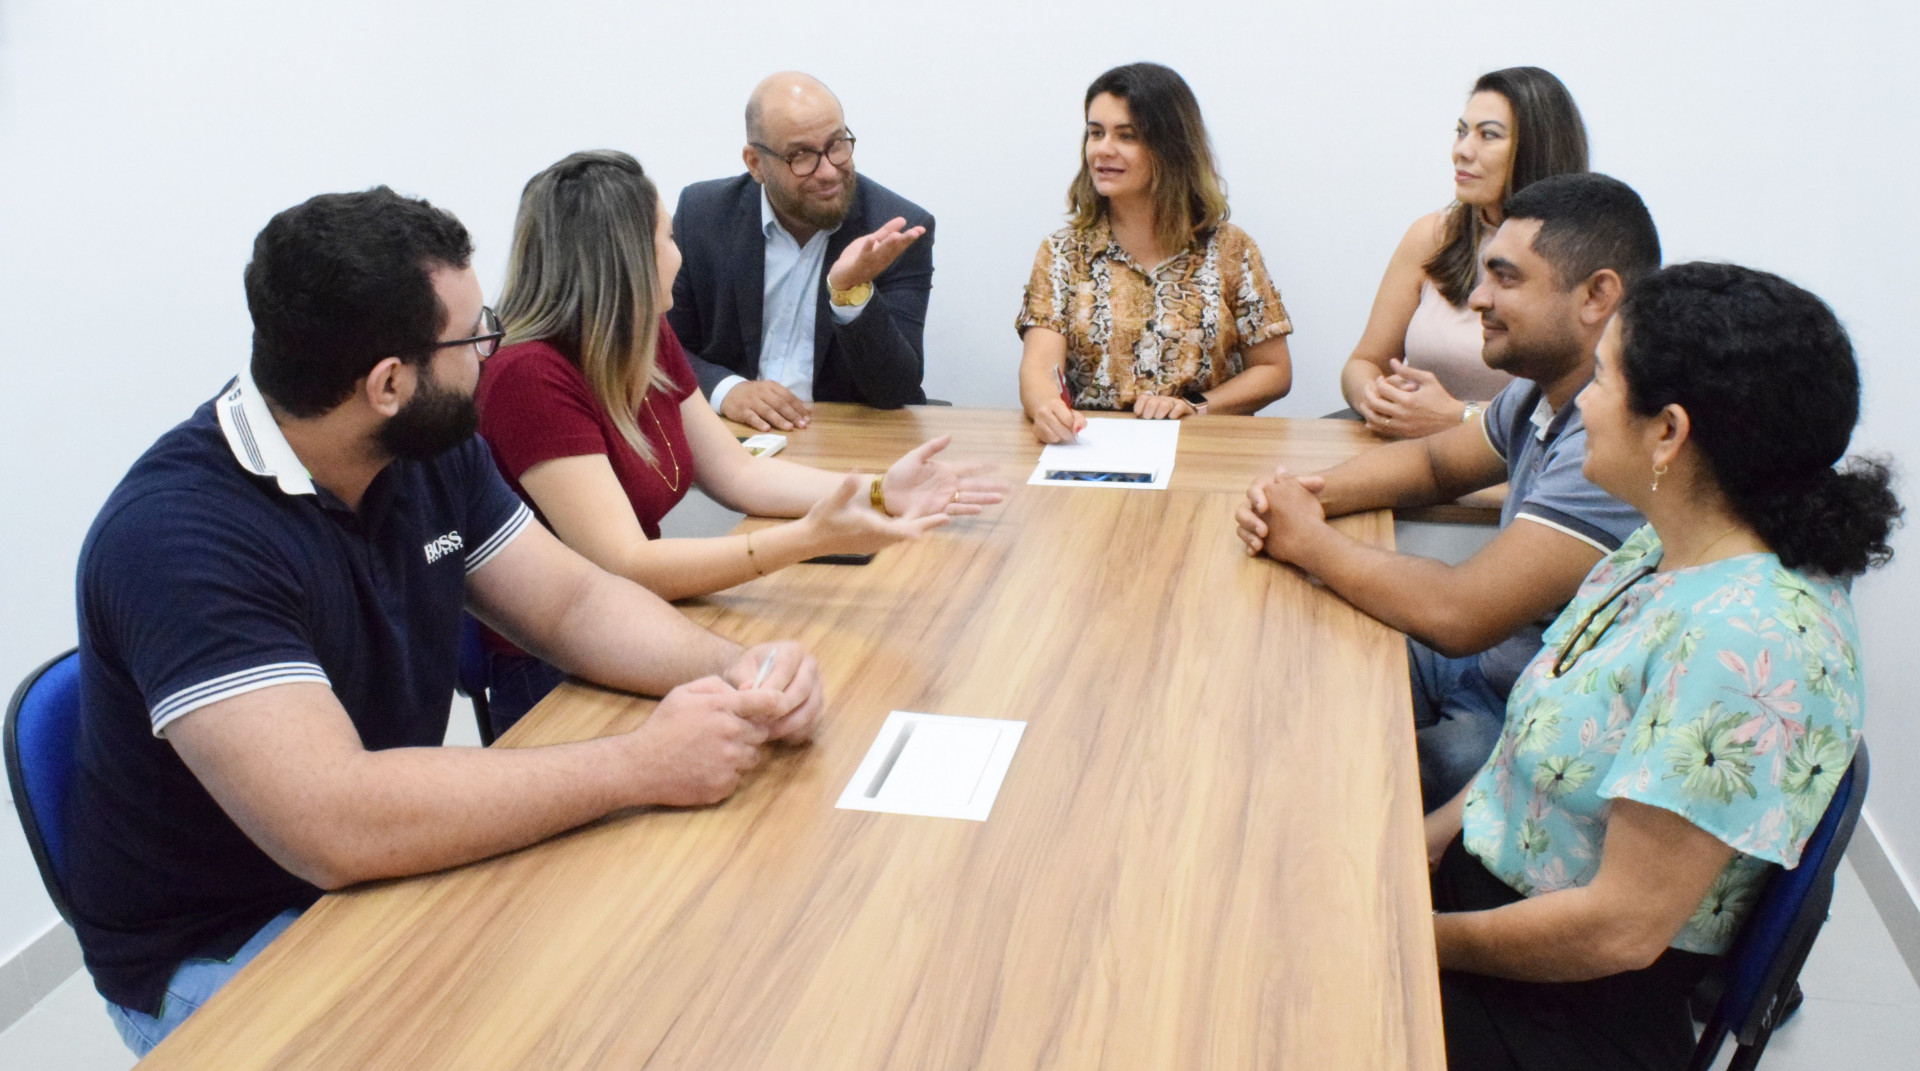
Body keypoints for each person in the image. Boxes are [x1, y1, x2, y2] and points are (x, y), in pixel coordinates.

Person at [68, 188, 824, 1057]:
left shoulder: (421, 448)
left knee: (667, 973)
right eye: (473, 336)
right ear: (388, 382)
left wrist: (737, 670)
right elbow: (336, 825)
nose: (492, 350)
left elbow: (572, 603)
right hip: (231, 942)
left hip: (377, 864)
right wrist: (640, 762)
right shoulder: (177, 539)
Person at [1424, 262, 1899, 1069]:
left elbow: (1617, 928)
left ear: (1669, 433)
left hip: (1567, 1004)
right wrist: (1407, 851)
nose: (1583, 401)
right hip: (1496, 911)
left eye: (1603, 377)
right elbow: (1526, 751)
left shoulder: (1749, 641)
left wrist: (1409, 938)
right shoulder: (1662, 545)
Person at [477, 151, 1006, 733]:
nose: (679, 256)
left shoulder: (643, 334)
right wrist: (807, 538)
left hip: (643, 625)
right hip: (553, 670)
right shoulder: (528, 376)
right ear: (626, 261)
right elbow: (626, 565)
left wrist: (878, 490)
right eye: (668, 238)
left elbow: (739, 475)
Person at [1236, 173, 1657, 808]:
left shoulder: (1618, 438)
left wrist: (1310, 541)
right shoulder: (1541, 386)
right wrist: (1302, 496)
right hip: (1487, 670)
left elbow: (1461, 614)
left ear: (1597, 295)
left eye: (1506, 278)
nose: (1478, 298)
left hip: (1533, 720)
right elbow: (1436, 465)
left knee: (1330, 786)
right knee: (1290, 672)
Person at [1017, 62, 1294, 444]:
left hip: (1202, 448)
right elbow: (1039, 370)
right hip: (1093, 449)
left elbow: (1274, 370)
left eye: (1126, 135)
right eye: (1095, 133)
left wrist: (1196, 405)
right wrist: (1047, 409)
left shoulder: (1231, 248)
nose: (1103, 149)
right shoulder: (1063, 252)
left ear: (1170, 148)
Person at [667, 71, 934, 431]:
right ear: (755, 163)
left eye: (837, 144)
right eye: (801, 155)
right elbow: (659, 345)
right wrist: (726, 389)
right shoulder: (703, 215)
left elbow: (895, 390)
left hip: (843, 442)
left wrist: (850, 295)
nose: (828, 171)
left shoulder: (893, 231)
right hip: (736, 435)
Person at [1339, 68, 1588, 440]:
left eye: (1488, 135)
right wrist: (1375, 398)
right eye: (1461, 132)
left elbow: (1580, 406)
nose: (1462, 150)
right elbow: (1363, 362)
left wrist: (1460, 416)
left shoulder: (1583, 251)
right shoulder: (1431, 235)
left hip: (1513, 465)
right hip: (1410, 454)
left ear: (1536, 147)